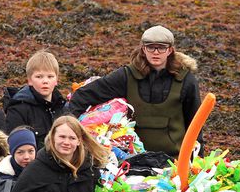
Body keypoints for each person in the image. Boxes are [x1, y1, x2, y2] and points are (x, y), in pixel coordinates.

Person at [68, 25, 202, 156]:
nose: (155, 52)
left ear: (170, 50)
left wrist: (199, 158)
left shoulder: (186, 80)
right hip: (132, 160)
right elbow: (83, 95)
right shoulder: (126, 76)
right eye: (150, 47)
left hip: (175, 161)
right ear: (143, 49)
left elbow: (196, 121)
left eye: (161, 47)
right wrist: (69, 130)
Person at [3, 50, 68, 149]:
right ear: (29, 80)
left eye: (50, 76)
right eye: (39, 76)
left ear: (56, 80)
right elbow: (13, 148)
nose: (45, 81)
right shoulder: (18, 109)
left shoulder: (63, 108)